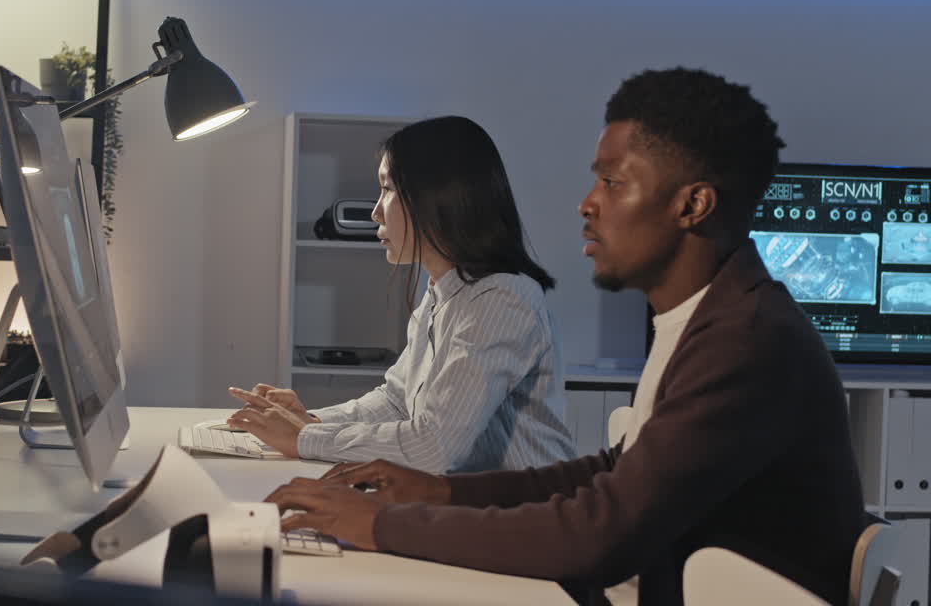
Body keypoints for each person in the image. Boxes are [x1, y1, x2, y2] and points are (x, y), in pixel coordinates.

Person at [264, 68, 866, 606]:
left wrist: (383, 525)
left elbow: (600, 530)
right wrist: (441, 492)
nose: (586, 204)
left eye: (614, 183)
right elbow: (612, 474)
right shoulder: (709, 320)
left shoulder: (746, 342)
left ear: (693, 205)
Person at [228, 115, 575, 474]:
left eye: (388, 189)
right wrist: (307, 420)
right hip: (470, 506)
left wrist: (304, 438)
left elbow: (434, 446)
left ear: (439, 198)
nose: (376, 211)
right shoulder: (443, 290)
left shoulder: (502, 298)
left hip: (521, 516)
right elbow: (396, 402)